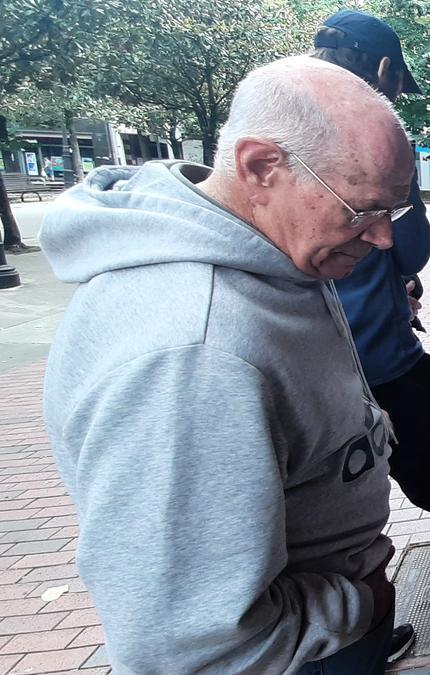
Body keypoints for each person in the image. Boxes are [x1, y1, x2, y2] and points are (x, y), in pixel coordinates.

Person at [40, 56, 409, 673]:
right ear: (262, 167)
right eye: (362, 208)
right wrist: (356, 607)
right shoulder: (193, 353)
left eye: (390, 210)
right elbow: (188, 642)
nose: (383, 238)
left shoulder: (276, 255)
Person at [312, 9, 430, 618]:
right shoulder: (372, 135)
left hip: (328, 369)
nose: (374, 235)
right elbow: (408, 246)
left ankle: (358, 633)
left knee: (333, 523)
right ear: (384, 69)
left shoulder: (286, 124)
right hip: (380, 365)